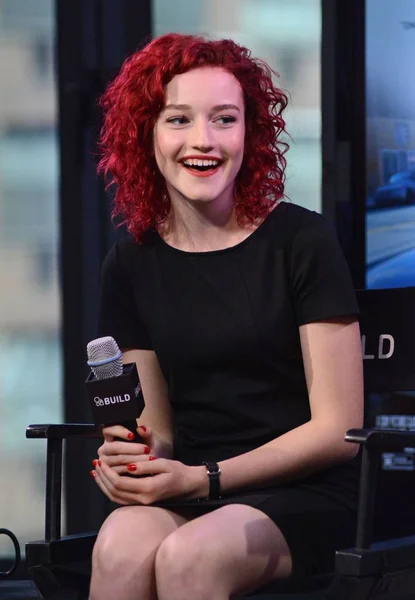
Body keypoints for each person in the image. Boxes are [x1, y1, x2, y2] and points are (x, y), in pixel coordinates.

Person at [89, 32, 364, 600]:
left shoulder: (302, 241)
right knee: (118, 545)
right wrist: (135, 460)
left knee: (192, 557)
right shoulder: (130, 262)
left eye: (224, 119)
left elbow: (338, 430)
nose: (202, 141)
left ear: (250, 134)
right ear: (147, 134)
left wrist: (205, 478)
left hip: (308, 489)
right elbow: (159, 431)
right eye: (179, 120)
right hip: (194, 483)